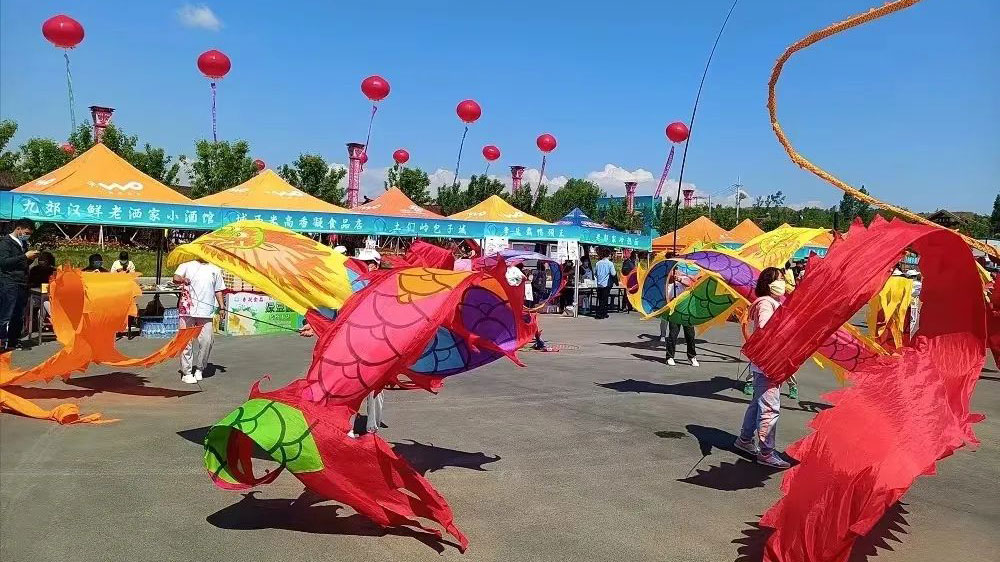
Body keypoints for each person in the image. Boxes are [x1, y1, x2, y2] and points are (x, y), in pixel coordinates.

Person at [734, 267, 791, 468]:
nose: (782, 283)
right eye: (779, 279)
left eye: (783, 279)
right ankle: (766, 452)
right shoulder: (766, 303)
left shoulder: (773, 302)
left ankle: (744, 440)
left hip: (766, 362)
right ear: (768, 283)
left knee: (757, 403)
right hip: (769, 363)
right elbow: (766, 327)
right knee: (769, 408)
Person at [351, 248, 385, 437]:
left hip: (377, 347)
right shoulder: (353, 285)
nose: (362, 267)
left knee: (375, 390)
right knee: (348, 386)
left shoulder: (385, 286)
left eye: (366, 263)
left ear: (376, 265)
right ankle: (346, 428)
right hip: (353, 344)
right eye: (360, 263)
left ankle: (371, 431)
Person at [173, 259, 225, 383]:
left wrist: (222, 307)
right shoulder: (186, 265)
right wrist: (182, 279)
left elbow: (218, 290)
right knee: (186, 341)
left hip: (206, 311)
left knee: (207, 341)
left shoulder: (215, 269)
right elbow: (175, 278)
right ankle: (186, 372)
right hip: (187, 309)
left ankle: (200, 369)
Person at [0, 219, 39, 351]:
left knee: (18, 314)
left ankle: (13, 340)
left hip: (21, 282)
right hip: (9, 282)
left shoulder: (23, 243)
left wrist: (29, 259)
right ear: (19, 229)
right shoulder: (6, 243)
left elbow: (20, 264)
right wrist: (25, 257)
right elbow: (4, 263)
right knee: (7, 314)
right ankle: (3, 341)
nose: (27, 235)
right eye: (26, 232)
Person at [663, 269, 699, 367]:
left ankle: (691, 356)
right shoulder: (667, 284)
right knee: (673, 334)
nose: (673, 274)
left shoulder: (682, 278)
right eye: (671, 272)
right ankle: (670, 357)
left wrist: (679, 279)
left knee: (690, 334)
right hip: (674, 311)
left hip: (686, 310)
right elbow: (667, 298)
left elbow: (691, 284)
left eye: (674, 271)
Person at [594, 248, 616, 319]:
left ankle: (603, 313)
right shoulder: (610, 263)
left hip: (599, 284)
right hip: (606, 283)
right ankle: (601, 314)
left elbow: (595, 273)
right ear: (608, 255)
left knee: (600, 299)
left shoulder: (598, 263)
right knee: (604, 299)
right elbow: (613, 273)